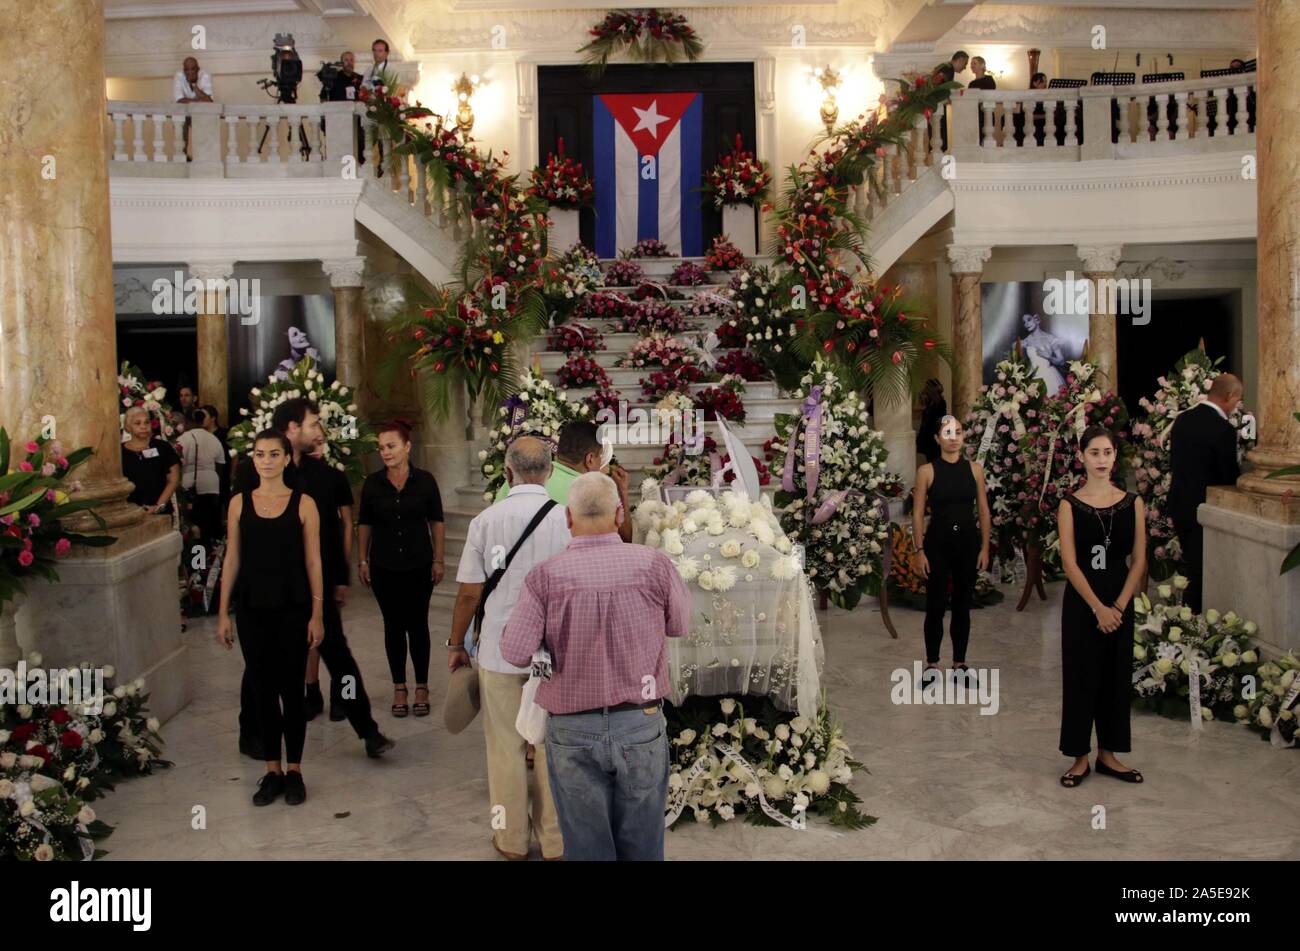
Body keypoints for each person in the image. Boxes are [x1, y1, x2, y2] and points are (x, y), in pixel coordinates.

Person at [501, 472, 692, 862]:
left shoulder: (544, 577)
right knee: (643, 846)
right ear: (620, 513)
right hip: (639, 722)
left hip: (572, 728)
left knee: (586, 848)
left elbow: (515, 652)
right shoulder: (654, 565)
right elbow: (680, 625)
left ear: (567, 517)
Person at [231, 398, 394, 761]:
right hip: (267, 588)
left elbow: (331, 536)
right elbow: (240, 533)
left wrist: (338, 579)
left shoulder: (324, 477)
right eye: (313, 424)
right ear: (292, 429)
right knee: (260, 664)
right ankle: (251, 731)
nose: (319, 431)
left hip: (312, 588)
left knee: (340, 659)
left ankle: (367, 729)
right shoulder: (254, 472)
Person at [449, 436, 571, 861]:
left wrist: (455, 643)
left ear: (507, 472)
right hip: (556, 655)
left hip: (501, 651)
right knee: (553, 747)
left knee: (505, 749)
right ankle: (556, 841)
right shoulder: (566, 520)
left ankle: (511, 840)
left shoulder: (486, 521)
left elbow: (468, 593)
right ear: (550, 472)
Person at [216, 430, 325, 806]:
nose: (266, 460)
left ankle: (295, 769)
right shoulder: (238, 503)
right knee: (262, 691)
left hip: (293, 606)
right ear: (254, 458)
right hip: (251, 607)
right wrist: (222, 613)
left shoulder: (304, 504)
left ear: (285, 459)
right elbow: (232, 558)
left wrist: (318, 613)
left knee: (292, 691)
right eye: (260, 454)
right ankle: (271, 770)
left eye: (273, 454)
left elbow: (314, 561)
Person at [1057, 425, 1147, 788]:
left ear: (1115, 457)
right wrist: (1098, 608)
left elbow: (1139, 560)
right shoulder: (1069, 504)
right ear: (1081, 456)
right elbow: (1069, 563)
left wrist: (1119, 606)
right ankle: (1079, 756)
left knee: (1115, 678)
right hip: (1084, 604)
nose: (1101, 460)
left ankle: (1109, 753)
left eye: (1107, 453)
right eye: (1094, 452)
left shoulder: (1132, 503)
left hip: (1120, 601)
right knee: (1082, 677)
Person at [358, 420, 445, 718]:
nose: (385, 452)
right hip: (384, 565)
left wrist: (439, 558)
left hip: (419, 562)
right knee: (393, 626)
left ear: (407, 446)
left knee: (418, 624)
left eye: (391, 446)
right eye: (381, 448)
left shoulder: (425, 481)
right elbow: (365, 524)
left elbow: (436, 521)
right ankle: (399, 687)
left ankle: (421, 685)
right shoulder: (372, 483)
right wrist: (362, 559)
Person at [912, 415, 992, 684]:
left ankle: (960, 663)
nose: (954, 437)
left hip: (968, 544)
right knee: (935, 606)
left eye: (958, 431)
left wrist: (985, 547)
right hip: (937, 544)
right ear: (937, 438)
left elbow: (983, 510)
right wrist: (919, 550)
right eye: (947, 432)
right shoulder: (926, 472)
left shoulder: (975, 470)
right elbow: (918, 514)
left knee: (962, 606)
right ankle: (932, 665)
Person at [1168, 373, 1243, 612]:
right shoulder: (1223, 430)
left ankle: (1190, 620)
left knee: (1193, 567)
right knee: (1203, 574)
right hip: (1206, 511)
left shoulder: (1182, 419)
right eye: (1237, 400)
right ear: (1229, 396)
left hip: (1179, 504)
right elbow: (1227, 478)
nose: (1237, 406)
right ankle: (1196, 623)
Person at [494, 421, 633, 542]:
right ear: (590, 459)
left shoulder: (521, 477)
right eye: (601, 458)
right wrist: (622, 491)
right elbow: (624, 540)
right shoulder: (593, 492)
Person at [302, 438, 355, 722]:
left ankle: (341, 697)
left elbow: (347, 523)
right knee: (309, 635)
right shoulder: (293, 479)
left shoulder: (335, 477)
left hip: (330, 562)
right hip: (302, 566)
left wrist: (343, 568)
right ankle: (311, 690)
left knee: (334, 639)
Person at [177, 408, 226, 543]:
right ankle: (207, 555)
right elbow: (220, 465)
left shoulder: (183, 439)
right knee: (208, 522)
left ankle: (196, 559)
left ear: (187, 422)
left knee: (193, 522)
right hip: (211, 484)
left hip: (190, 484)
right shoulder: (214, 438)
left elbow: (177, 464)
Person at [121, 406, 180, 515]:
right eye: (137, 423)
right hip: (130, 512)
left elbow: (173, 479)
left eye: (146, 422)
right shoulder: (120, 452)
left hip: (159, 511)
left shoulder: (162, 447)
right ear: (128, 427)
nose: (143, 426)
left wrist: (158, 506)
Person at [1020, 312, 1068, 395]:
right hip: (1033, 378)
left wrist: (1048, 357)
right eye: (1024, 322)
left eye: (1029, 320)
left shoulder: (1050, 338)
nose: (1026, 324)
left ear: (1036, 319)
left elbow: (1062, 361)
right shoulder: (1025, 341)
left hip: (1049, 377)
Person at [915, 379, 947, 464]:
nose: (924, 389)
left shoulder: (940, 402)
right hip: (928, 436)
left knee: (934, 460)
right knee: (931, 460)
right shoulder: (931, 401)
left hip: (933, 436)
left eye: (926, 387)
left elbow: (939, 419)